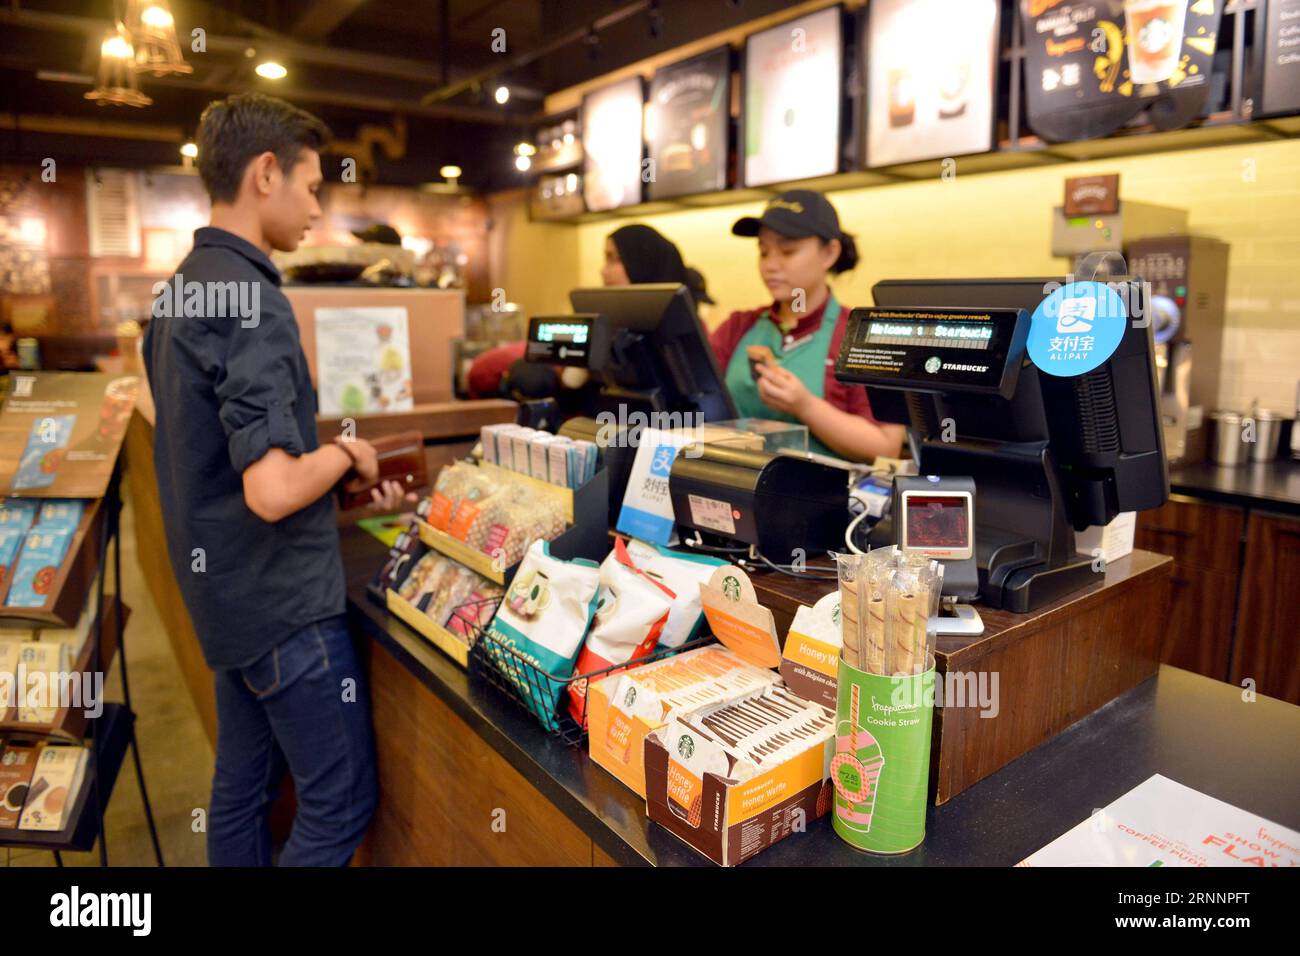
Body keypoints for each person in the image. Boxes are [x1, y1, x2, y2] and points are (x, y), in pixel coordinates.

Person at [143, 93, 409, 866]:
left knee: (244, 789)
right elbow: (270, 490)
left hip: (224, 598)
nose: (318, 209)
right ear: (266, 173)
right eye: (314, 187)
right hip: (284, 606)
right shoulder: (253, 298)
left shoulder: (186, 286)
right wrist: (348, 458)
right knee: (339, 806)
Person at [709, 190, 905, 462]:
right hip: (734, 485)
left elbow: (886, 446)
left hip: (824, 498)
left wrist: (805, 406)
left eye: (788, 251)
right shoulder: (737, 327)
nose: (770, 265)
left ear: (829, 253)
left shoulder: (863, 335)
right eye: (764, 252)